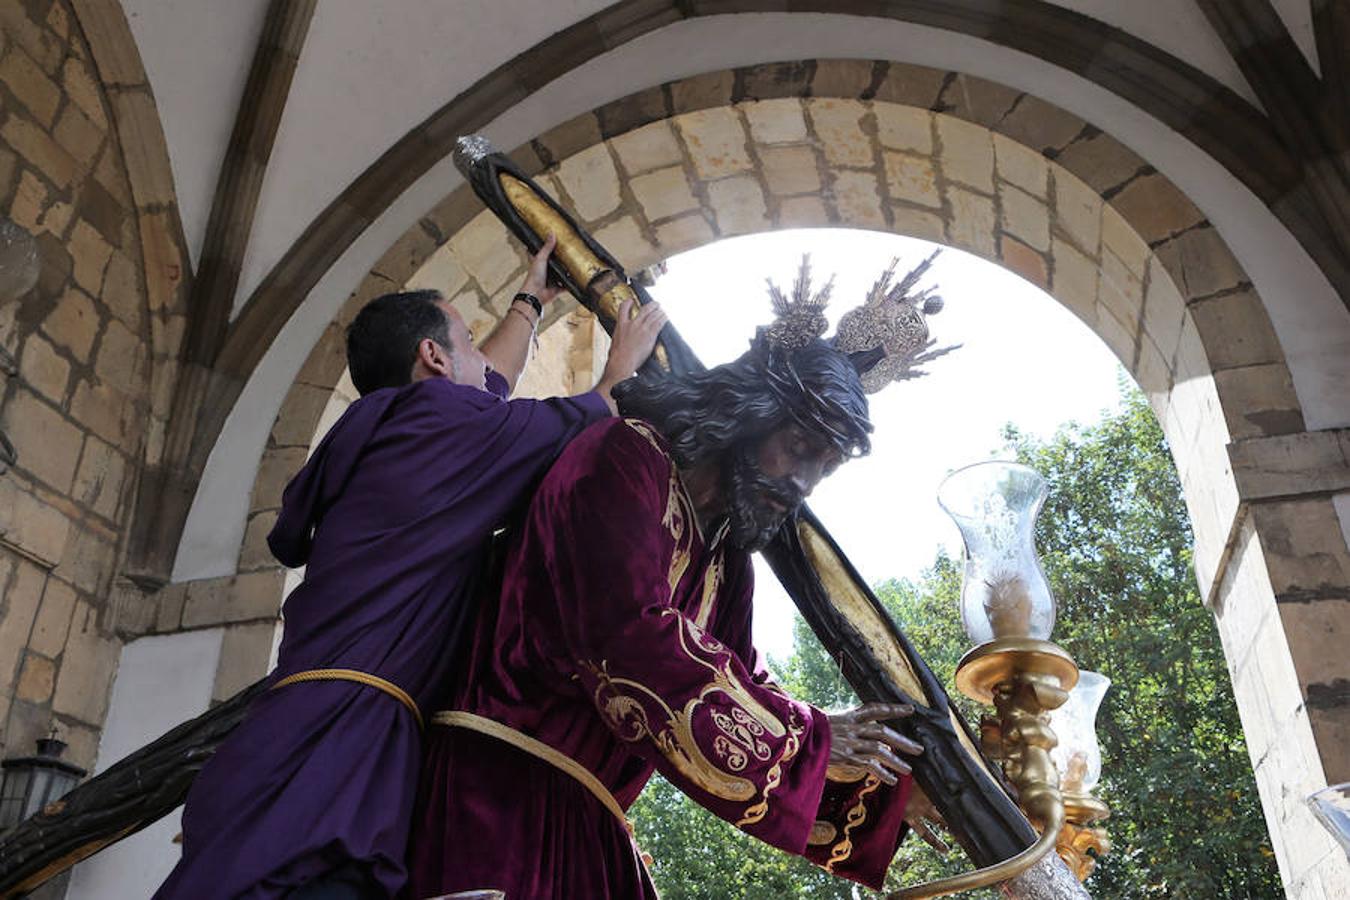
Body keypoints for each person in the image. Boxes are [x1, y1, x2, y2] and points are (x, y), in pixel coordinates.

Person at [155, 236, 668, 900]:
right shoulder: (440, 423)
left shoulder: (389, 428)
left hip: (300, 728)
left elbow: (488, 386)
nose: (485, 359)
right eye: (468, 340)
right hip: (341, 744)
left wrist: (528, 303)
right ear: (431, 356)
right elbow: (578, 420)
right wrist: (619, 373)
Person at [406, 287, 928, 898]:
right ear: (754, 412)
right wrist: (813, 740)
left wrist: (888, 789)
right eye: (800, 448)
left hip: (594, 828)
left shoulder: (729, 562)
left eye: (826, 466)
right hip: (499, 798)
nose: (803, 484)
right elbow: (626, 637)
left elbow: (744, 685)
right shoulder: (622, 456)